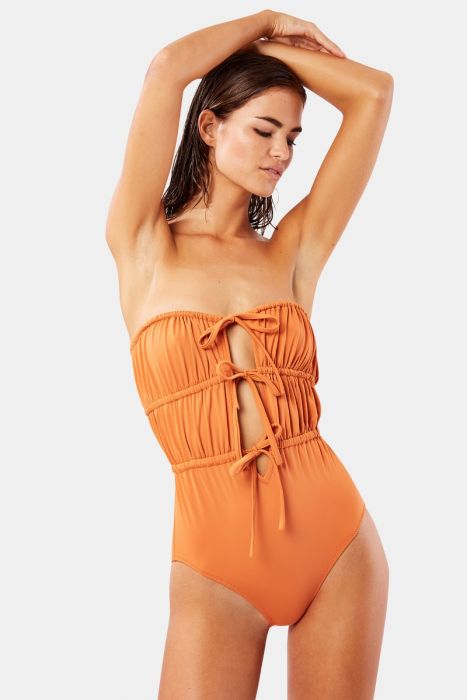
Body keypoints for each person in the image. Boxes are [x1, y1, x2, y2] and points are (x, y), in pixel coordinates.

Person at [105, 9, 393, 699]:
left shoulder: (293, 251)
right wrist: (264, 23)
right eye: (264, 130)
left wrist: (271, 54)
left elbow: (373, 93)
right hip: (215, 567)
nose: (281, 153)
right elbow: (167, 70)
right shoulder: (144, 245)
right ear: (209, 127)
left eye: (292, 137)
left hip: (335, 544)